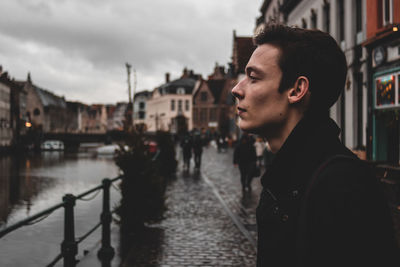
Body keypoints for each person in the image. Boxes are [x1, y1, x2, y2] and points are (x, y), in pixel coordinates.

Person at [231, 24, 399, 267]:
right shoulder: (289, 177)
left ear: (297, 89)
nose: (237, 89)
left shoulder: (343, 185)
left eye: (253, 78)